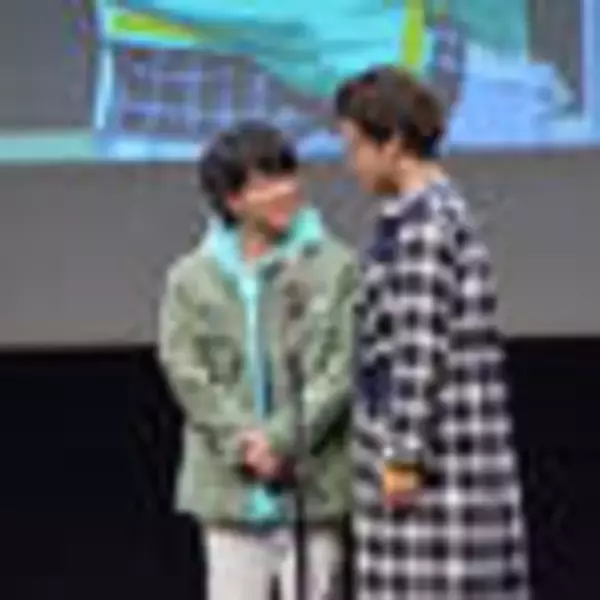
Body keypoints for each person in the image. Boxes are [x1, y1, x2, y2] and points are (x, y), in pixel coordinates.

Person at [334, 66, 530, 598]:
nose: (351, 165)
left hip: (437, 474)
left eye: (356, 148)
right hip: (440, 462)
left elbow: (417, 351)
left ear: (394, 143)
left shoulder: (424, 225)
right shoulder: (427, 214)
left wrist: (402, 457)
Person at [158, 121, 357, 600]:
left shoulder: (335, 266)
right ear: (232, 200)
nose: (285, 191)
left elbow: (342, 367)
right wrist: (244, 442)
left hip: (312, 487)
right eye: (265, 183)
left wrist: (279, 439)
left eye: (288, 176)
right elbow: (185, 369)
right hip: (229, 490)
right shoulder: (191, 278)